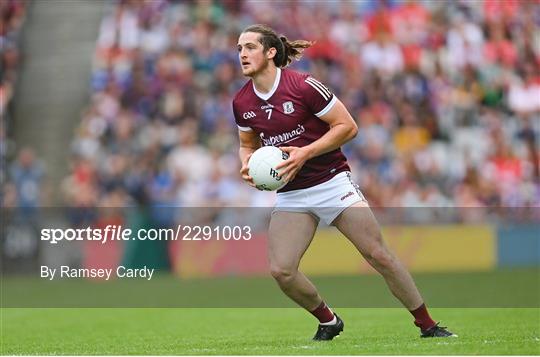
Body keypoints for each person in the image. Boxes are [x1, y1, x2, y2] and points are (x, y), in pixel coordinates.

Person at [232, 24, 456, 340]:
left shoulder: (304, 86)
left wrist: (304, 153)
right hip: (292, 194)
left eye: (250, 47)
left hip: (331, 182)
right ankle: (328, 320)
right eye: (239, 48)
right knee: (282, 270)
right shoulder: (242, 102)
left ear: (271, 52)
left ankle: (428, 325)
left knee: (378, 255)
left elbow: (347, 126)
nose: (242, 54)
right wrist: (246, 163)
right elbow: (247, 142)